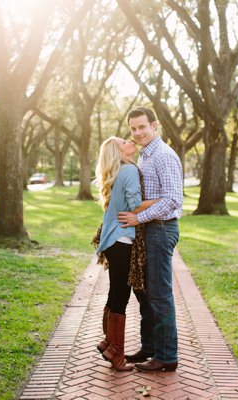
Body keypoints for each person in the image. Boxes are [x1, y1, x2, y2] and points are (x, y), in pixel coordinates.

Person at [118, 107, 183, 372]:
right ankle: (149, 347)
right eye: (133, 129)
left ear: (154, 125)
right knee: (144, 292)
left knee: (159, 295)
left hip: (161, 229)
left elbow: (172, 200)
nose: (138, 133)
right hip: (147, 231)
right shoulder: (145, 155)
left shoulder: (164, 156)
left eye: (142, 127)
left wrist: (137, 219)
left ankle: (167, 357)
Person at [93, 136, 157, 371]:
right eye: (124, 141)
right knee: (121, 295)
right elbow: (135, 205)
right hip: (121, 240)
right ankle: (116, 355)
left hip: (112, 241)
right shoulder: (129, 170)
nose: (130, 140)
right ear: (118, 152)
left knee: (116, 292)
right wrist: (161, 200)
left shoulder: (120, 171)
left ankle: (108, 343)